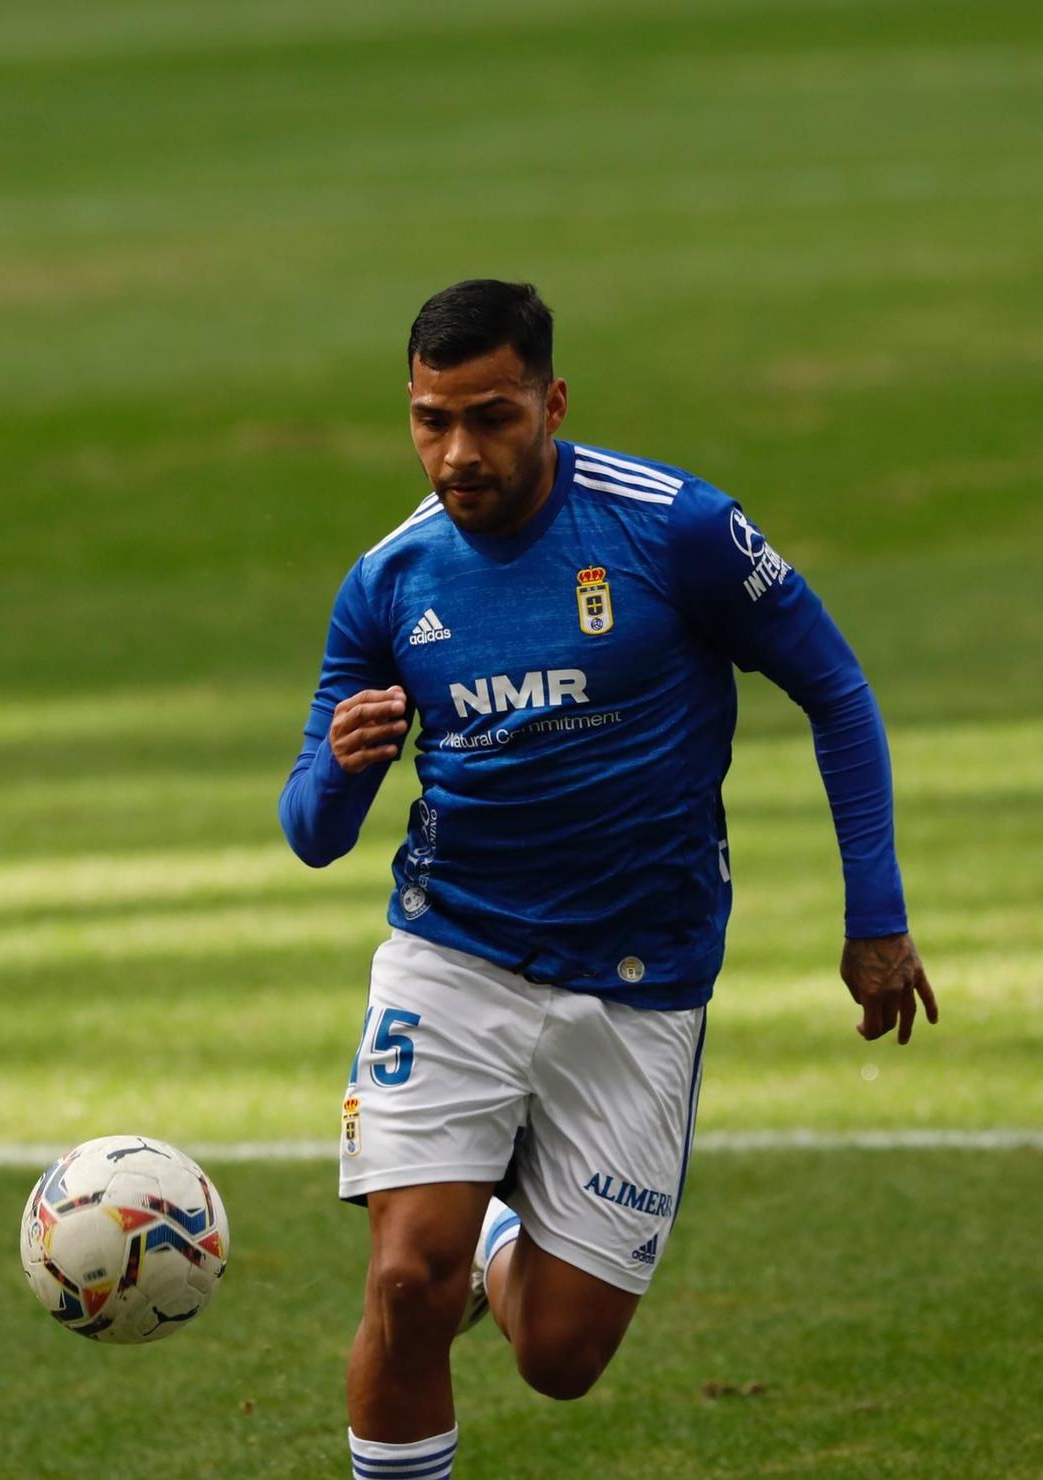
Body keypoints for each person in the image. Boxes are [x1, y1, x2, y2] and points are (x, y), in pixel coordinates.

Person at [278, 280, 937, 1479]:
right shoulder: (389, 582)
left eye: (490, 416)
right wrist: (335, 769)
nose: (457, 453)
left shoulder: (672, 528)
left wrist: (874, 920)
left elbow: (835, 690)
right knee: (399, 1279)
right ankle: (445, 1247)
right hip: (452, 951)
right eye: (430, 420)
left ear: (551, 400)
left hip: (639, 975)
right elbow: (312, 834)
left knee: (559, 1354)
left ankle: (490, 1241)